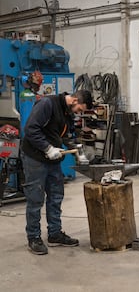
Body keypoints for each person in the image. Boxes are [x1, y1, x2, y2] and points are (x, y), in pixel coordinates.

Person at [21, 90, 93, 255]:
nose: (79, 113)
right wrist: (47, 148)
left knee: (55, 196)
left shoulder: (68, 112)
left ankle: (54, 234)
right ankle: (33, 237)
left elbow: (66, 135)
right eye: (79, 109)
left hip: (53, 158)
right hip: (35, 157)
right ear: (74, 100)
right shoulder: (48, 104)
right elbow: (30, 129)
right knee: (36, 199)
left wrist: (77, 150)